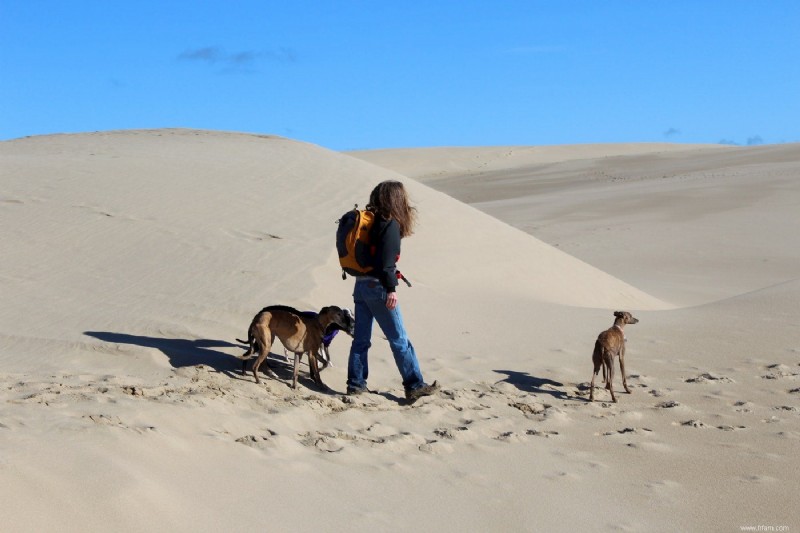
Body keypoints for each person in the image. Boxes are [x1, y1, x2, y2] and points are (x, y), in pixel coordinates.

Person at [346, 180, 439, 403]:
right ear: (397, 199)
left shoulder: (371, 223)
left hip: (360, 285)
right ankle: (414, 385)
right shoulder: (389, 225)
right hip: (378, 287)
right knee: (399, 339)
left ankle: (356, 385)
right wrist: (391, 289)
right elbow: (386, 264)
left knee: (361, 340)